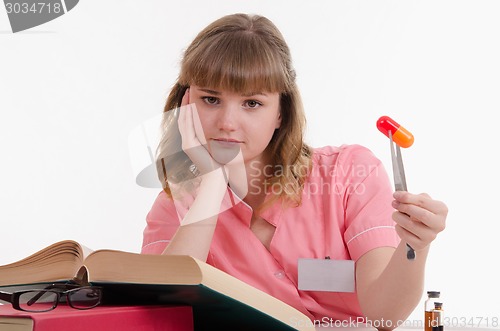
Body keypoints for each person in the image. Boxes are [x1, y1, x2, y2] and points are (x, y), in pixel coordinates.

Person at [141, 13, 447, 329]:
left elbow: (385, 315)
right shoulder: (175, 206)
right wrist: (211, 184)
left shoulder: (351, 174)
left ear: (281, 112)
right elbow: (163, 312)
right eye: (210, 99)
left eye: (251, 103)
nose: (227, 123)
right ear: (187, 104)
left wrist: (415, 245)